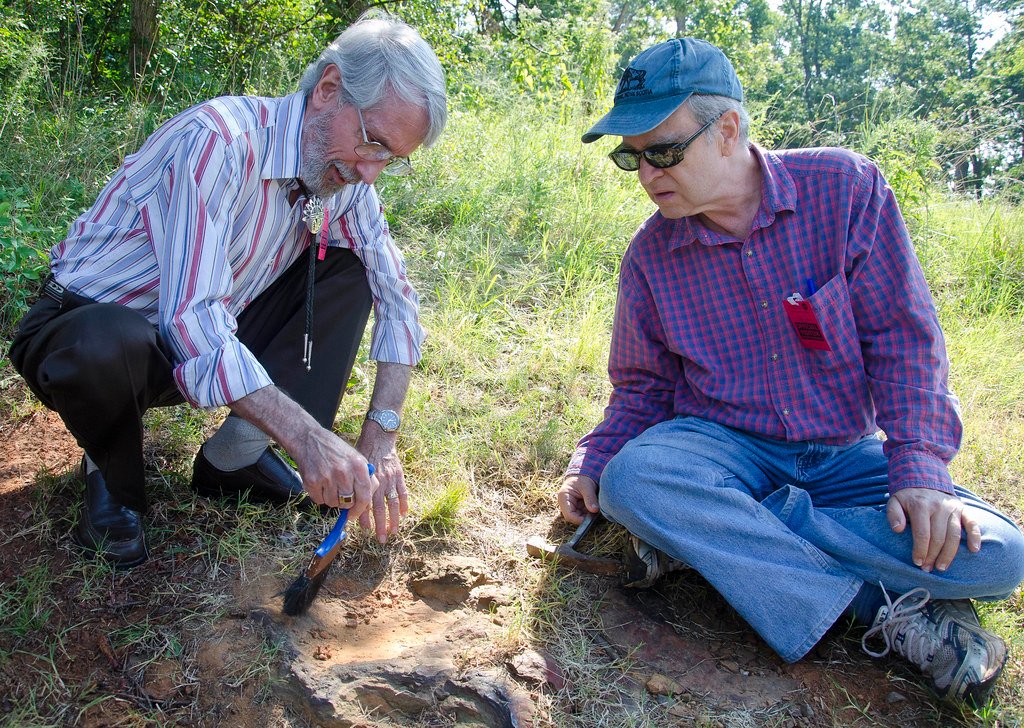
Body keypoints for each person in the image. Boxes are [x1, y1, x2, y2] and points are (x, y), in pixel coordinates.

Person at [557, 37, 1024, 706]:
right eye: (629, 156)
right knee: (636, 481)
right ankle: (883, 608)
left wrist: (919, 472)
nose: (645, 174)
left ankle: (717, 544)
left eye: (662, 151)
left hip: (845, 456)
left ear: (727, 131)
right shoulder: (650, 259)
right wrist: (593, 461)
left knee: (1004, 555)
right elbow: (644, 389)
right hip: (725, 451)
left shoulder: (846, 190)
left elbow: (905, 340)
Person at [9, 12, 447, 569]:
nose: (371, 172)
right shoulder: (218, 141)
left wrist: (380, 437)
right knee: (107, 341)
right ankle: (109, 472)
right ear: (329, 90)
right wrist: (309, 438)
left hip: (192, 340)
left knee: (352, 270)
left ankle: (234, 459)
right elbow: (192, 317)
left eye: (392, 159)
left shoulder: (344, 179)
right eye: (373, 143)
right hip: (84, 333)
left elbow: (397, 295)